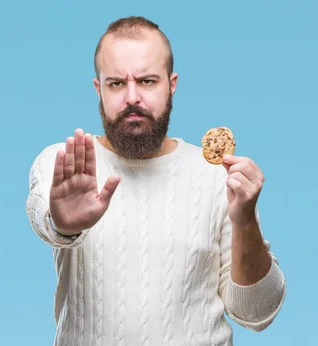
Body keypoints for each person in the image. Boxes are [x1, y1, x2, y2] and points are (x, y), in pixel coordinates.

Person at [25, 16, 286, 346]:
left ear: (171, 84)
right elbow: (40, 212)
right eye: (117, 83)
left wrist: (245, 221)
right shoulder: (67, 162)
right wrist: (61, 224)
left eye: (147, 81)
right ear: (98, 88)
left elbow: (258, 312)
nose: (132, 97)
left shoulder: (216, 177)